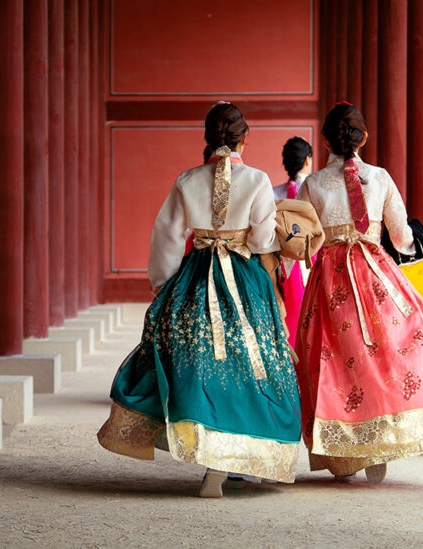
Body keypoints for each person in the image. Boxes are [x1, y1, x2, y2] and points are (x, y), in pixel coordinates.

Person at [97, 101, 301, 497]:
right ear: (244, 138)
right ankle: (248, 454)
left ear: (207, 139)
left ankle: (211, 461)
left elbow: (168, 236)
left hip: (195, 278)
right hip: (245, 280)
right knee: (253, 364)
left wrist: (163, 285)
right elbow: (260, 240)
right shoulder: (258, 180)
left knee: (200, 365)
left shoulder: (187, 179)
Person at [294, 102, 423, 485]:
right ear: (364, 138)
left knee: (334, 357)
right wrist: (404, 253)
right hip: (375, 270)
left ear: (325, 140)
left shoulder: (313, 184)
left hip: (331, 275)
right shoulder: (382, 178)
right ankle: (380, 438)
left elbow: (307, 240)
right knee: (385, 350)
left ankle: (344, 454)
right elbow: (402, 235)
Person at [272, 136, 314, 348]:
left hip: (283, 263)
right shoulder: (316, 188)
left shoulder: (274, 193)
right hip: (311, 259)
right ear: (308, 160)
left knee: (287, 314)